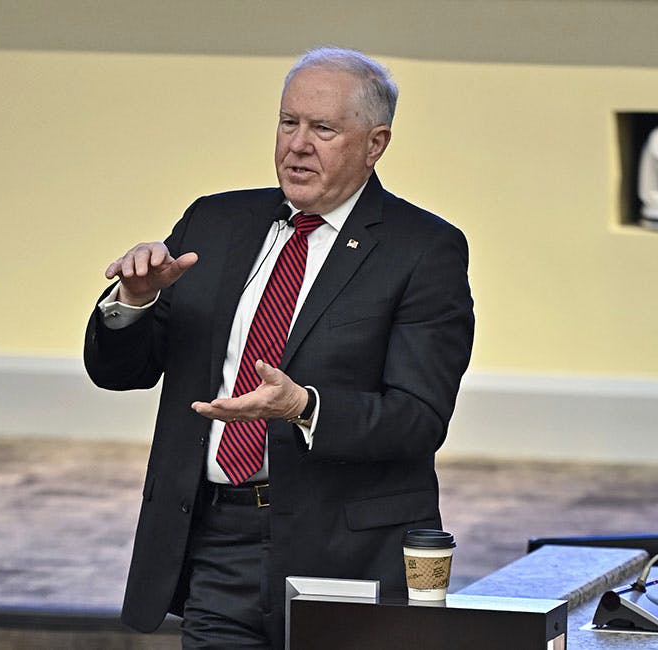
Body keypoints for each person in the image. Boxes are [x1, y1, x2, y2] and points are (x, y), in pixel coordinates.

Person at [84, 47, 475, 649]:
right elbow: (122, 371)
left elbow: (419, 418)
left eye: (323, 129)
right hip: (217, 540)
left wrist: (306, 407)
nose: (298, 144)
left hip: (344, 552)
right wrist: (133, 302)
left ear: (375, 144)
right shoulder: (212, 223)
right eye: (288, 123)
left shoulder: (423, 249)